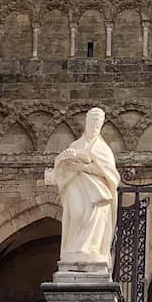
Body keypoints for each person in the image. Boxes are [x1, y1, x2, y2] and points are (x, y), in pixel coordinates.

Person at [47, 106, 120, 269]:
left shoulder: (103, 149)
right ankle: (74, 251)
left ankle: (91, 250)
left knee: (95, 220)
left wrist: (85, 168)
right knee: (77, 214)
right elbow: (61, 168)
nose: (93, 128)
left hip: (97, 191)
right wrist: (62, 161)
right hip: (76, 186)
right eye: (91, 124)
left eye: (97, 125)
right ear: (86, 124)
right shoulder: (75, 145)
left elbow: (111, 175)